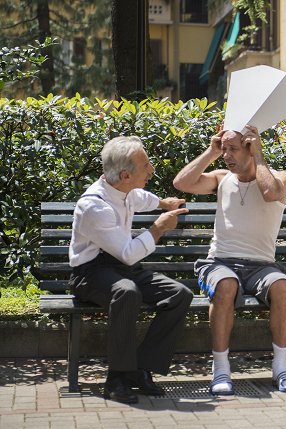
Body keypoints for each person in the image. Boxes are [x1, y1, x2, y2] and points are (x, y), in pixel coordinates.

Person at [173, 124, 286, 395]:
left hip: (262, 266)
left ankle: (281, 367)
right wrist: (211, 150)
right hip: (220, 262)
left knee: (281, 287)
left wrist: (260, 156)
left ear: (250, 147)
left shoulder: (280, 177)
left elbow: (270, 194)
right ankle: (220, 368)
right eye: (224, 149)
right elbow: (181, 183)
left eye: (232, 149)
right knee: (226, 285)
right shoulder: (221, 178)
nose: (226, 155)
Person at [69, 136, 193, 404]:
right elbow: (127, 254)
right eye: (146, 165)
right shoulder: (94, 206)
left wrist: (164, 204)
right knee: (127, 292)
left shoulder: (126, 191)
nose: (151, 170)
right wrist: (158, 229)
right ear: (125, 175)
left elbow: (142, 198)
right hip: (90, 273)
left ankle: (140, 368)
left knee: (179, 295)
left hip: (121, 268)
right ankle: (116, 379)